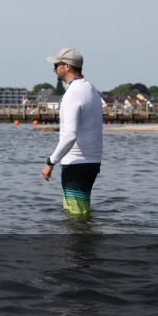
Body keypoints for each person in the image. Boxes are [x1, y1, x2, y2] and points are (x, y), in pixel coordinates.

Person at [40, 48, 103, 216]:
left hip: (76, 163)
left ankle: (81, 242)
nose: (54, 69)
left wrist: (50, 162)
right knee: (81, 213)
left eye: (56, 65)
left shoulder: (72, 94)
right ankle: (88, 241)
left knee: (77, 217)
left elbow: (69, 136)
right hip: (92, 162)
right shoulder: (91, 89)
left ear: (67, 66)